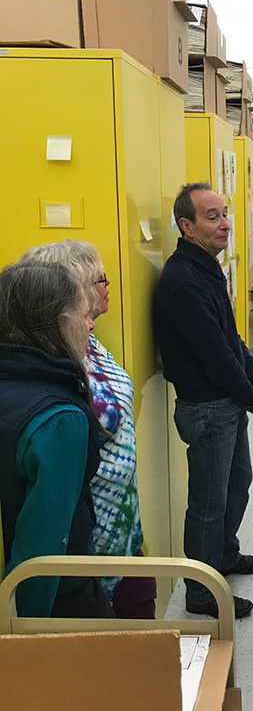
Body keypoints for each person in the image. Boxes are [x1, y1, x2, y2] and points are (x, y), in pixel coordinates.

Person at [154, 181, 253, 620]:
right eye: (212, 216)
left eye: (225, 214)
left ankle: (224, 555)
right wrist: (249, 394)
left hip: (225, 402)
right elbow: (213, 352)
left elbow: (231, 337)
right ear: (186, 225)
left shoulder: (205, 267)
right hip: (206, 409)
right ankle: (201, 594)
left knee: (236, 485)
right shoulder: (183, 279)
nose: (224, 224)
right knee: (207, 505)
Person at [21, 240, 156, 619]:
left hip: (124, 518)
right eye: (99, 279)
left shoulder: (90, 339)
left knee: (141, 613)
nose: (107, 285)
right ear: (73, 287)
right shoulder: (54, 362)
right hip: (87, 529)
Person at [0, 261, 113, 619]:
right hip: (57, 597)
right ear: (58, 324)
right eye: (83, 314)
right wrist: (21, 631)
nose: (91, 324)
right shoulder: (60, 419)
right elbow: (42, 548)